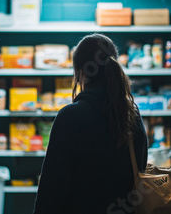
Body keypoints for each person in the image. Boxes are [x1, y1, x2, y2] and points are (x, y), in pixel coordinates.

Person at [33, 33, 148, 214]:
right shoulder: (131, 115)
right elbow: (139, 172)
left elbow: (52, 190)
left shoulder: (70, 117)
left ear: (80, 71)